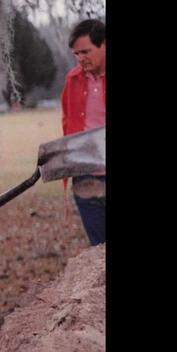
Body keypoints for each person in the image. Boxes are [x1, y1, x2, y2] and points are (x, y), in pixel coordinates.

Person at [60, 18, 106, 245]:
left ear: (103, 45)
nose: (80, 59)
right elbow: (68, 122)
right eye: (76, 54)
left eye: (85, 52)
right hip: (85, 174)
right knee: (99, 249)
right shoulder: (73, 80)